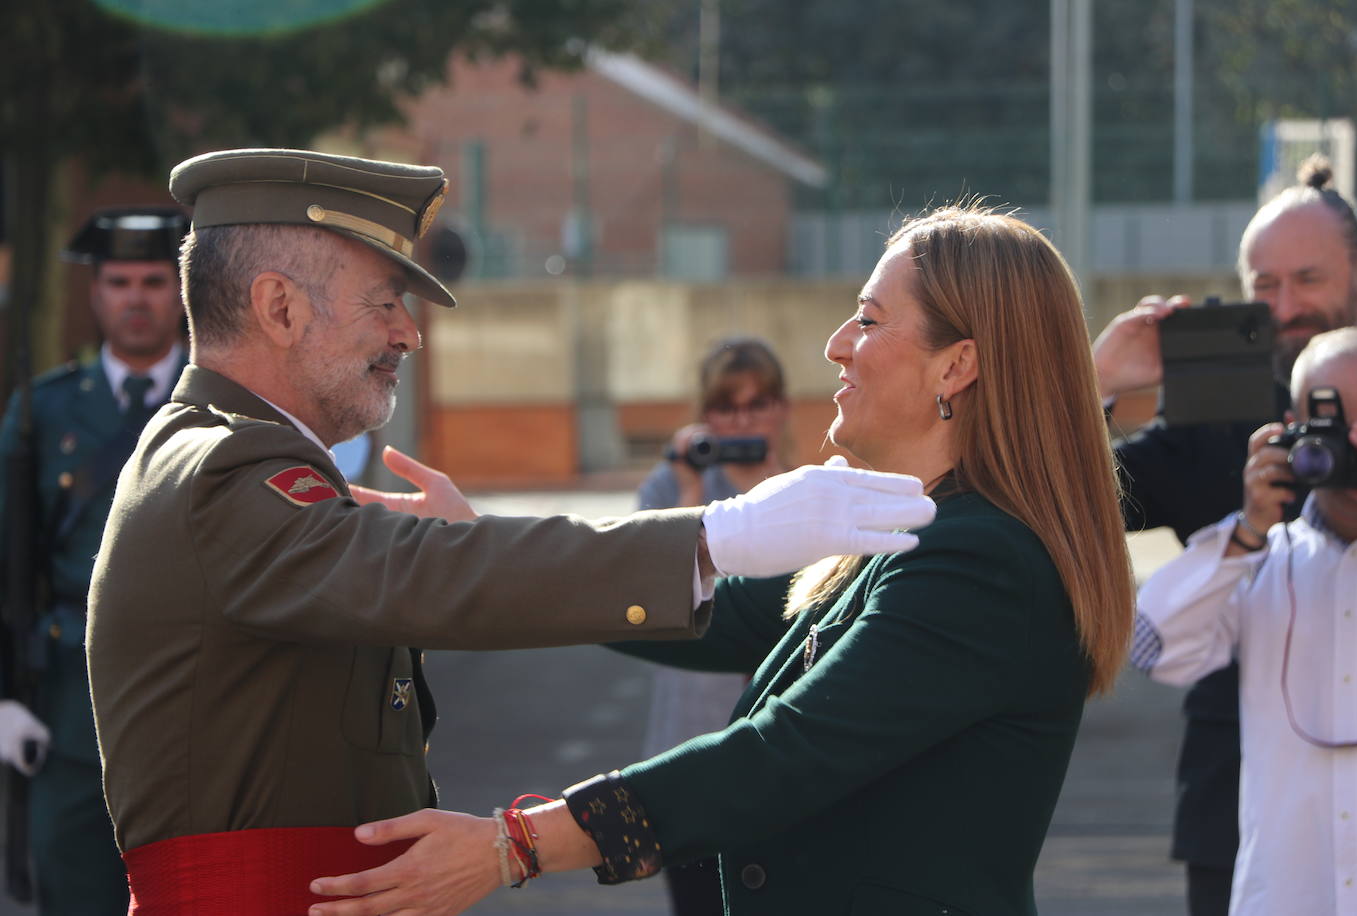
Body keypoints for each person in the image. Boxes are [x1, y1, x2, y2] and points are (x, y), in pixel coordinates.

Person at [83, 147, 938, 911]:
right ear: (278, 308)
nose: (407, 334)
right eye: (384, 302)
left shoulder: (233, 464)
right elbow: (424, 577)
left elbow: (424, 575)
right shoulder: (224, 474)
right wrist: (714, 535)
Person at [307, 203, 1137, 916]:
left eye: (871, 318)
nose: (837, 345)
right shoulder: (908, 530)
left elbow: (780, 756)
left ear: (957, 365)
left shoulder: (982, 564)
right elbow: (705, 606)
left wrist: (512, 846)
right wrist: (485, 541)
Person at [1092, 154, 1357, 916]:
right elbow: (1068, 507)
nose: (1284, 307)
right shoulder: (1212, 420)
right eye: (1264, 285)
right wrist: (1099, 384)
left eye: (1308, 280)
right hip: (1240, 809)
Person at [1133, 326, 1357, 916]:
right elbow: (1153, 645)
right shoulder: (1262, 559)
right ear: (1293, 428)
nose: (1356, 450)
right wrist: (1245, 531)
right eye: (1337, 429)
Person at [0, 207, 188, 914]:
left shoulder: (225, 407)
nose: (135, 298)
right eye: (117, 281)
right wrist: (5, 697)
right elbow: (8, 564)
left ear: (182, 290)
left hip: (196, 707)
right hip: (68, 718)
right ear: (94, 292)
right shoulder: (42, 413)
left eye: (153, 280)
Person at [637, 336, 792, 916]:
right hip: (689, 742)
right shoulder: (671, 482)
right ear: (707, 414)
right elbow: (639, 591)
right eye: (728, 405)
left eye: (758, 403)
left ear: (781, 409)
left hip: (779, 747)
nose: (743, 419)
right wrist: (689, 493)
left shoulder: (803, 488)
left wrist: (767, 480)